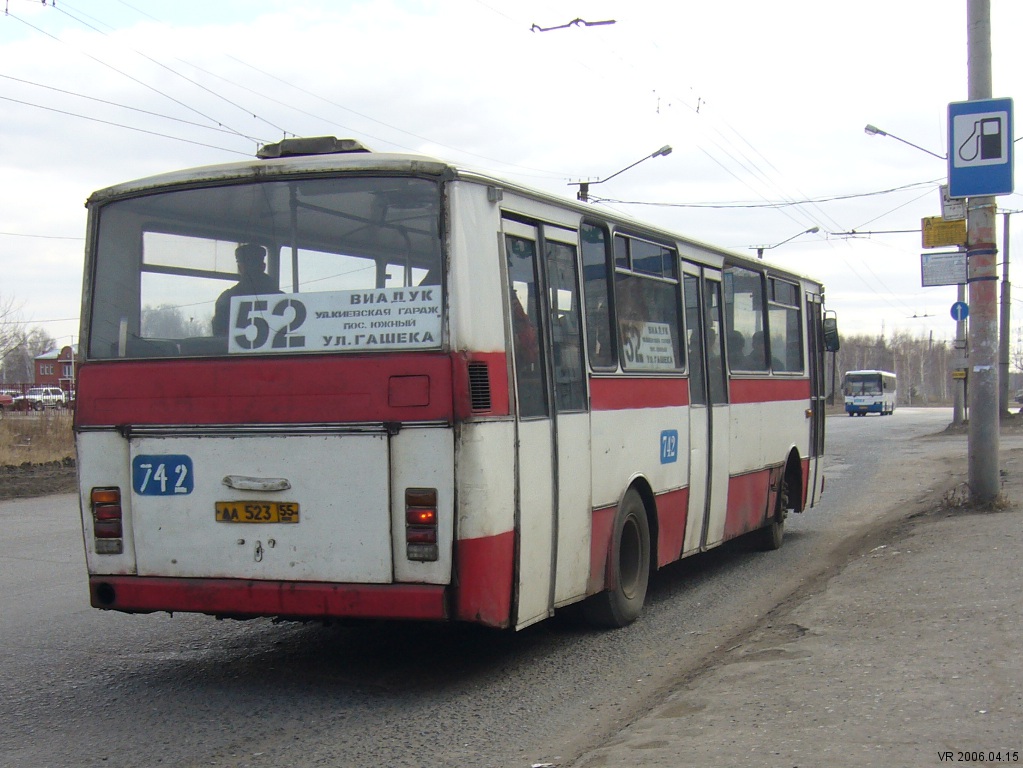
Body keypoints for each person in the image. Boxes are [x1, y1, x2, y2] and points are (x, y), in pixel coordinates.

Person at [212, 243, 281, 335]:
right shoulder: (281, 298)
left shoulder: (227, 299)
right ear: (263, 267)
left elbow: (219, 335)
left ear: (240, 268)